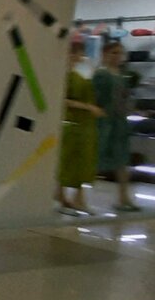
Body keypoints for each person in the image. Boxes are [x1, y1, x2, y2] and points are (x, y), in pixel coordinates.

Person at [57, 41, 104, 215]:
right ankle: (73, 198)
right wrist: (87, 107)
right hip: (72, 122)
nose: (79, 56)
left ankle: (68, 196)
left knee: (75, 161)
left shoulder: (78, 74)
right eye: (76, 53)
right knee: (69, 161)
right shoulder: (66, 75)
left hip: (81, 123)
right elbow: (62, 99)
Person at [94, 41, 140, 212]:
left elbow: (124, 98)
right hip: (104, 121)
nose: (117, 56)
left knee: (122, 159)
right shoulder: (101, 74)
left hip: (119, 121)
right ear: (105, 54)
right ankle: (74, 194)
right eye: (114, 53)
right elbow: (96, 97)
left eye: (120, 53)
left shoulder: (122, 76)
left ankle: (123, 197)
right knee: (96, 156)